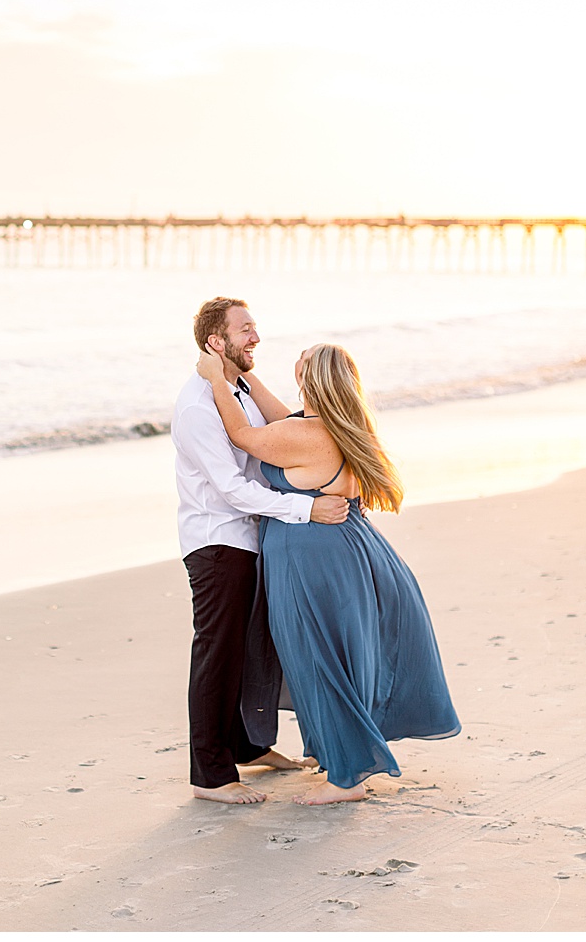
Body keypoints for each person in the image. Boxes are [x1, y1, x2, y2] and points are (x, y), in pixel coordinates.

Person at [195, 338, 460, 804]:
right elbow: (280, 418)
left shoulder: (307, 434)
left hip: (312, 559)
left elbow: (243, 435)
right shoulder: (335, 425)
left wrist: (218, 379)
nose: (294, 361)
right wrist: (242, 375)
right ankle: (338, 755)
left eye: (302, 361)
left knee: (318, 658)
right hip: (344, 550)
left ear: (310, 380)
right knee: (332, 655)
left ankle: (347, 778)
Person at [173, 297, 351, 803]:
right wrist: (307, 510)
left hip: (254, 537)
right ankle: (210, 776)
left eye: (255, 327)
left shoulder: (239, 390)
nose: (256, 337)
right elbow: (230, 488)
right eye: (245, 329)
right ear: (216, 342)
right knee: (217, 654)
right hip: (218, 542)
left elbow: (283, 427)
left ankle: (248, 748)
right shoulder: (197, 404)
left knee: (253, 652)